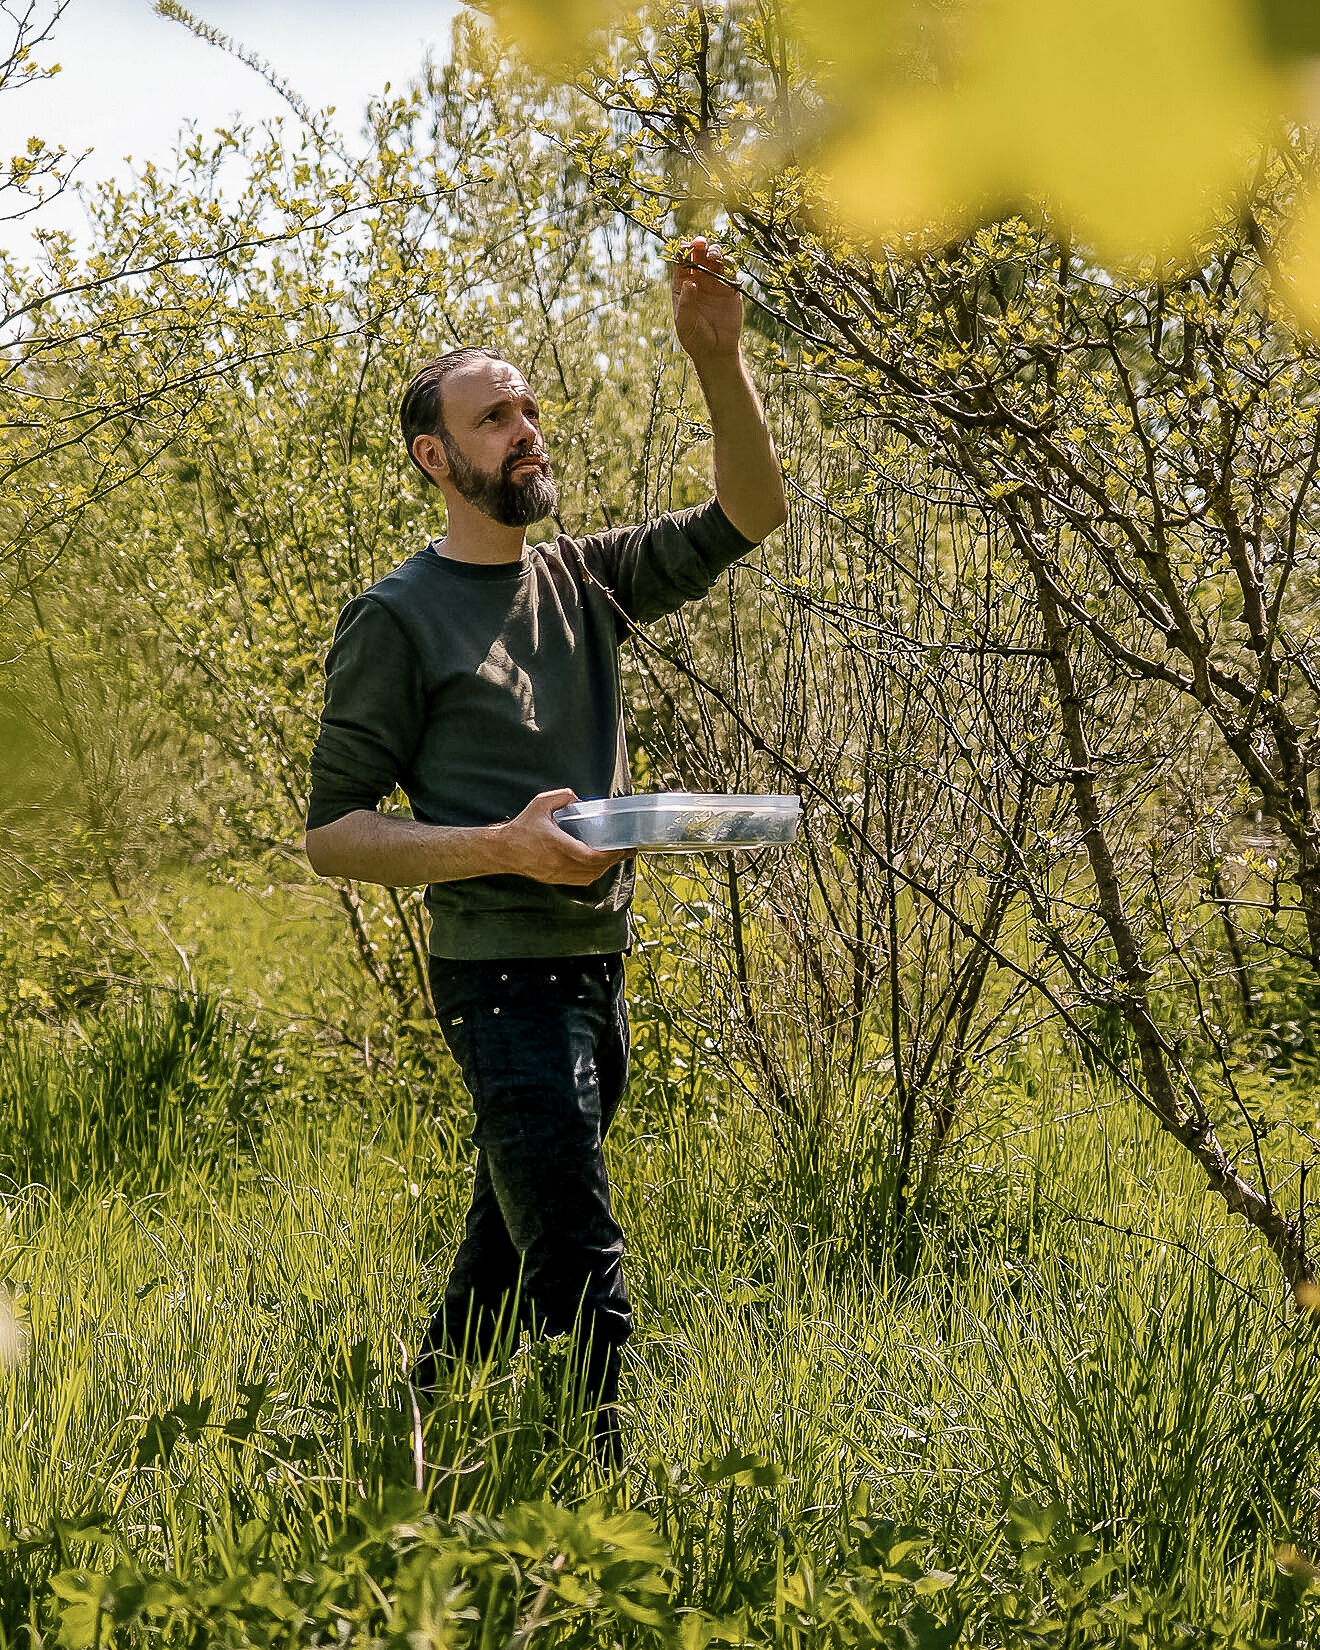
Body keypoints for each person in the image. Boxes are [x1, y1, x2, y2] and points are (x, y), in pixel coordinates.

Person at [304, 237, 787, 1463]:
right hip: (499, 980)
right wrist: (502, 849)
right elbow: (334, 833)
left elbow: (752, 512)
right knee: (580, 1265)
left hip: (594, 971)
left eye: (527, 409)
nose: (526, 429)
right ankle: (596, 1520)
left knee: (506, 1250)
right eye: (493, 417)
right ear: (438, 457)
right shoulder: (395, 617)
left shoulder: (587, 578)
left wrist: (717, 359)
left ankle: (411, 1437)